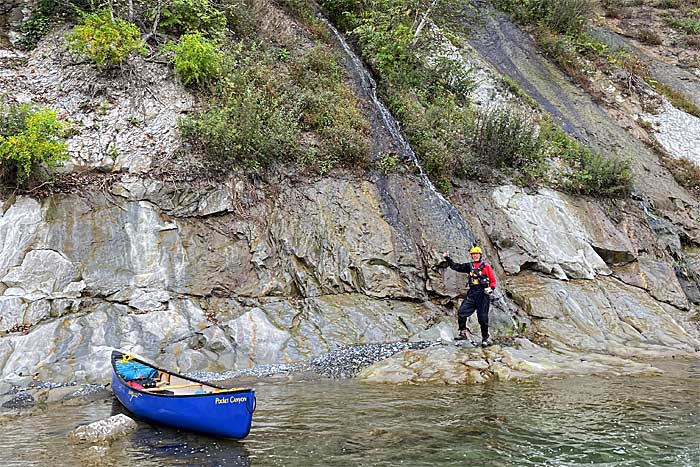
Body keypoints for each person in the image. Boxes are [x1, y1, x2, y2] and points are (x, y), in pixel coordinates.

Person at [443, 246, 497, 347]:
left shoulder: (486, 267)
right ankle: (463, 332)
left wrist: (491, 289)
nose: (475, 256)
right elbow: (456, 266)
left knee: (482, 318)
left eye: (476, 254)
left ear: (480, 255)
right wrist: (447, 258)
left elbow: (493, 281)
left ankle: (485, 338)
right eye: (473, 254)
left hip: (483, 295)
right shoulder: (469, 266)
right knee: (462, 312)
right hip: (472, 293)